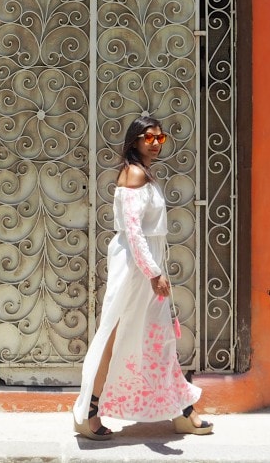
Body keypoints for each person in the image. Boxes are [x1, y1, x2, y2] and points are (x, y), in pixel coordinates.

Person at [72, 115, 213, 440]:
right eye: (148, 137)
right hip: (135, 270)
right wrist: (153, 273)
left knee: (157, 337)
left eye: (159, 138)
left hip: (143, 265)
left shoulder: (143, 173)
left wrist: (154, 269)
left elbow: (142, 234)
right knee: (115, 335)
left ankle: (182, 411)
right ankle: (89, 411)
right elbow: (133, 232)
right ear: (135, 140)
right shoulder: (134, 174)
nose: (154, 143)